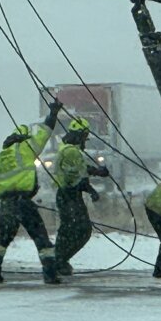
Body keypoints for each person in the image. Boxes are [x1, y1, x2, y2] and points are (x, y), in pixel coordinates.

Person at [0, 99, 62, 283]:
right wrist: (53, 114)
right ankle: (50, 275)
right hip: (23, 202)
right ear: (24, 137)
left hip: (6, 204)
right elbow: (45, 132)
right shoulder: (25, 149)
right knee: (41, 238)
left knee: (3, 240)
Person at [52, 116, 110, 276]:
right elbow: (77, 176)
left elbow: (81, 168)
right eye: (85, 137)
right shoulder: (71, 151)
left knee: (69, 230)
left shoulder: (70, 150)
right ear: (81, 135)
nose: (86, 140)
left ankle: (59, 260)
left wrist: (98, 172)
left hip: (69, 195)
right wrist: (92, 190)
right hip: (68, 195)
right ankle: (59, 260)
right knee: (80, 230)